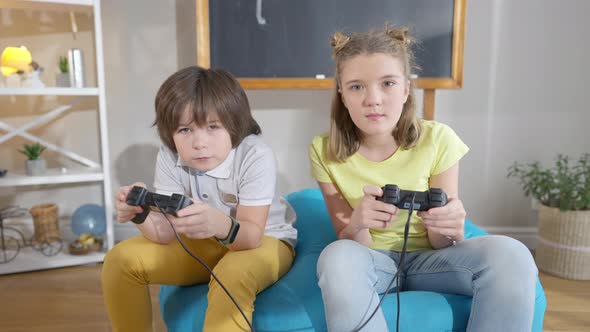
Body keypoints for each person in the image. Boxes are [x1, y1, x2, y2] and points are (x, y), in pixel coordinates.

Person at [309, 26, 538, 332]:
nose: (373, 100)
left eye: (387, 83)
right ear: (342, 94)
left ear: (406, 89)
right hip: (370, 261)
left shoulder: (439, 139)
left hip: (433, 261)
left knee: (513, 254)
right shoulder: (324, 150)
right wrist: (358, 223)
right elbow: (351, 242)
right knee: (336, 257)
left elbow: (441, 244)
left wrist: (450, 227)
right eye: (356, 87)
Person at [102, 66, 297, 332]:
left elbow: (251, 236)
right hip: (202, 244)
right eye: (185, 130)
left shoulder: (254, 154)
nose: (199, 143)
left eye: (213, 127)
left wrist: (219, 225)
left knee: (232, 274)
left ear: (234, 123)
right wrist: (140, 214)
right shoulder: (170, 155)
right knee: (120, 260)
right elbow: (164, 234)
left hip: (263, 241)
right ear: (169, 132)